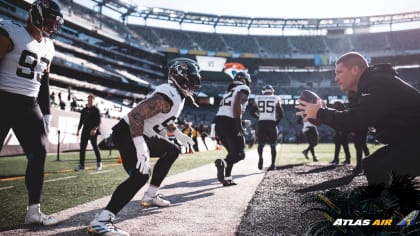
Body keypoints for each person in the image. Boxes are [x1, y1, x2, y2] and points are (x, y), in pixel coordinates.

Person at [87, 58, 200, 235]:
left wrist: (177, 133)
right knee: (141, 174)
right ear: (180, 77)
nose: (193, 85)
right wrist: (141, 146)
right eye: (191, 80)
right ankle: (102, 220)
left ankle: (150, 195)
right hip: (128, 132)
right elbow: (135, 116)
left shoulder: (176, 95)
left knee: (172, 150)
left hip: (142, 134)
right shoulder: (168, 93)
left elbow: (163, 117)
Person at [296, 52, 420, 186]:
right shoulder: (371, 83)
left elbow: (355, 120)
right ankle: (399, 201)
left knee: (381, 168)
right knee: (370, 164)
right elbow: (354, 118)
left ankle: (395, 203)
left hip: (415, 140)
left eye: (339, 72)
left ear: (354, 70)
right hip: (411, 139)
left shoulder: (376, 83)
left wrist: (321, 113)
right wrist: (324, 112)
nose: (336, 78)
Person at [0, 0, 63, 226]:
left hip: (29, 104)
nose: (52, 26)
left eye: (54, 22)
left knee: (38, 154)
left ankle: (33, 211)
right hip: (3, 98)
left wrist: (46, 113)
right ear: (36, 16)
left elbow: (44, 81)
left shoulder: (49, 46)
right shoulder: (10, 32)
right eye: (49, 21)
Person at [214, 71, 251, 186]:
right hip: (230, 122)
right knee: (240, 154)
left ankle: (228, 177)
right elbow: (237, 105)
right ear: (245, 80)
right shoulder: (243, 88)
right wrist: (239, 127)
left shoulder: (228, 92)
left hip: (219, 122)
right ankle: (223, 163)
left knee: (232, 153)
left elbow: (226, 111)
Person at [250, 84, 283, 170]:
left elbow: (252, 112)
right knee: (273, 145)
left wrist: (259, 117)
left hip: (261, 123)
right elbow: (281, 113)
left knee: (260, 144)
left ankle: (260, 157)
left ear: (263, 91)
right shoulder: (276, 98)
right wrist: (276, 122)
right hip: (271, 123)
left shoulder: (257, 98)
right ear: (272, 90)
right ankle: (272, 164)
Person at [74, 94, 103, 171]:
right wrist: (78, 130)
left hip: (93, 131)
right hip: (85, 131)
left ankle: (99, 163)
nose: (90, 101)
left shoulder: (96, 110)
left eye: (91, 100)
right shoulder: (83, 110)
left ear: (93, 101)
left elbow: (98, 121)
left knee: (95, 147)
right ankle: (81, 165)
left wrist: (94, 129)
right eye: (89, 100)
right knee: (82, 148)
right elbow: (81, 121)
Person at [348, 91, 370, 174]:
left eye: (349, 93)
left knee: (358, 147)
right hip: (363, 126)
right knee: (363, 146)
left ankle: (359, 167)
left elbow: (353, 116)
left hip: (358, 127)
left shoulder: (353, 102)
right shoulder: (360, 101)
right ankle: (369, 164)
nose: (348, 94)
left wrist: (353, 129)